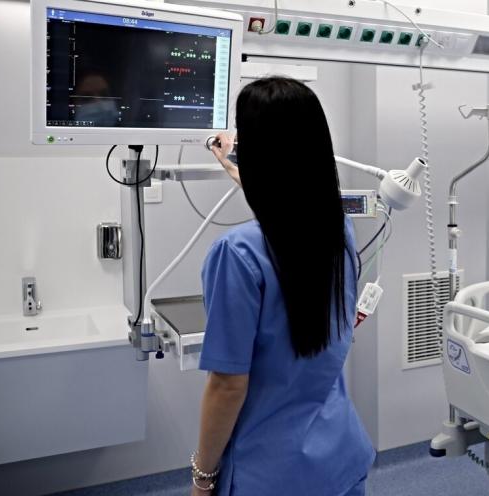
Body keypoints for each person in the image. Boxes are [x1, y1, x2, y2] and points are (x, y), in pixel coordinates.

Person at [191, 77, 375, 496]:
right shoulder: (337, 229)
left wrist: (203, 477)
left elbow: (227, 386)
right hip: (340, 456)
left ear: (259, 154)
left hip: (270, 473)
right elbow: (291, 206)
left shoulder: (236, 254)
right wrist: (234, 167)